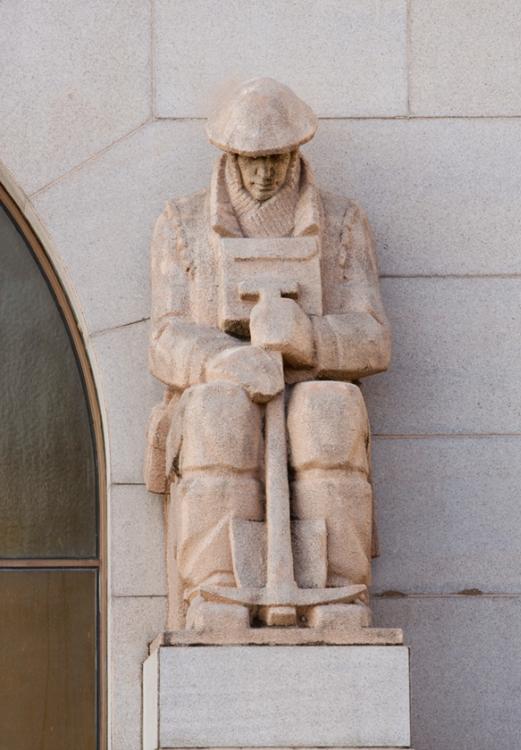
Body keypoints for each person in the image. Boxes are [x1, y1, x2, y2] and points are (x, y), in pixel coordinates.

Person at [146, 78, 391, 630]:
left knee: (331, 409)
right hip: (220, 388)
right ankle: (218, 590)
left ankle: (338, 592)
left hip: (309, 383)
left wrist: (307, 337)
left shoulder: (342, 223)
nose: (263, 174)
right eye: (250, 160)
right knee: (218, 413)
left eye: (275, 159)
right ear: (230, 156)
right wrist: (222, 361)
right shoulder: (182, 224)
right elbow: (165, 335)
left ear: (295, 152)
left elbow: (373, 334)